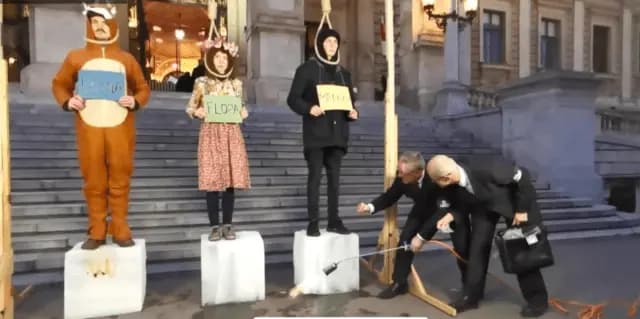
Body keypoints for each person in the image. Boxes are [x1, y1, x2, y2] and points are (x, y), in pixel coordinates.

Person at [51, 3, 150, 250]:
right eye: (94, 23)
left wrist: (135, 100)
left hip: (120, 128)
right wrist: (68, 100)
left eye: (104, 22)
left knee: (120, 177)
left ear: (114, 24)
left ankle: (120, 227)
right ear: (88, 26)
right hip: (90, 128)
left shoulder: (126, 59)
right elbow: (60, 83)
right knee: (94, 179)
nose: (100, 27)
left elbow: (143, 87)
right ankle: (97, 229)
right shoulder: (76, 57)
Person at [426, 154, 549, 317]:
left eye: (437, 181)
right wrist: (451, 215)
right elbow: (461, 201)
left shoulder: (491, 168)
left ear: (446, 177)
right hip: (484, 205)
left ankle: (537, 302)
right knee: (477, 249)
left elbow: (523, 177)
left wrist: (522, 210)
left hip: (515, 204)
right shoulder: (454, 176)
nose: (436, 185)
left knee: (521, 254)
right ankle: (471, 297)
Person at [357, 151, 470, 299]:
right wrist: (369, 207)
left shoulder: (435, 175)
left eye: (402, 173)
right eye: (399, 171)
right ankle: (399, 283)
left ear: (418, 172)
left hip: (450, 210)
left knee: (462, 248)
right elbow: (390, 196)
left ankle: (469, 288)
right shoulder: (402, 177)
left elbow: (441, 211)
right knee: (405, 240)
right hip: (422, 210)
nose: (399, 175)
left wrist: (421, 237)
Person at [287, 22, 359, 237]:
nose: (332, 45)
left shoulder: (344, 73)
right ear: (319, 44)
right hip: (316, 135)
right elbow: (292, 99)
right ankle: (313, 222)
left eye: (335, 42)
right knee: (315, 179)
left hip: (337, 136)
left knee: (335, 182)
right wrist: (310, 108)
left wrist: (353, 112)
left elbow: (350, 103)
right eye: (328, 41)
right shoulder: (307, 69)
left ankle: (334, 221)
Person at [185, 36, 250, 241]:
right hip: (211, 134)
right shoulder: (201, 83)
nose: (221, 61)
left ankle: (228, 225)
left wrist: (243, 112)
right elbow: (190, 107)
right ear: (211, 59)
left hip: (231, 134)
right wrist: (197, 112)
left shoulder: (237, 84)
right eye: (218, 57)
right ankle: (214, 226)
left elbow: (239, 107)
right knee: (212, 181)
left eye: (225, 57)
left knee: (230, 181)